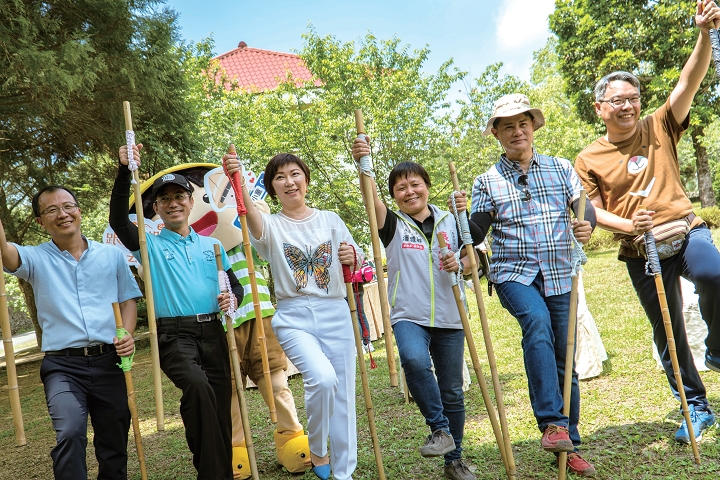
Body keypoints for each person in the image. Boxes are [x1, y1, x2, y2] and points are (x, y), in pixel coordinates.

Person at [574, 0, 720, 445]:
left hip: (685, 228)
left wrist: (704, 35)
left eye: (633, 98)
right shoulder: (588, 158)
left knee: (715, 273)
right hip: (641, 250)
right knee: (669, 328)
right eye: (617, 100)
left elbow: (688, 81)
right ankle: (694, 405)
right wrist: (630, 225)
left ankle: (717, 348)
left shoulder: (659, 126)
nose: (627, 106)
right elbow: (585, 210)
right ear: (600, 108)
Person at [466, 94, 597, 477]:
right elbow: (478, 227)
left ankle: (568, 442)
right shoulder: (486, 181)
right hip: (512, 273)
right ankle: (552, 423)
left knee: (565, 359)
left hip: (559, 271)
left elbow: (582, 206)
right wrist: (462, 224)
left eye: (523, 123)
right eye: (508, 126)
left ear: (533, 127)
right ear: (496, 134)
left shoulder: (560, 168)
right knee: (536, 322)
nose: (517, 131)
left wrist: (586, 222)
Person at [224, 152, 361, 480]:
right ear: (272, 187)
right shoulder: (270, 225)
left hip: (336, 311)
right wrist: (238, 179)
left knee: (343, 396)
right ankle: (316, 448)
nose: (289, 181)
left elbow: (354, 263)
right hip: (293, 315)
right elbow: (252, 217)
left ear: (306, 180)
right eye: (280, 177)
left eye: (295, 173)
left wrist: (350, 255)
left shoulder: (331, 219)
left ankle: (343, 473)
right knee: (322, 379)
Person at [111, 145, 244, 480]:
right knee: (197, 388)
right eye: (164, 199)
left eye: (179, 196)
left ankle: (211, 469)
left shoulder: (211, 245)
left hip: (214, 332)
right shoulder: (148, 244)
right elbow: (116, 219)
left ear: (190, 201)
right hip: (173, 335)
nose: (173, 203)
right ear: (155, 208)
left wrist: (231, 299)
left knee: (217, 406)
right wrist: (124, 170)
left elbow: (233, 286)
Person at [352, 137, 479, 480]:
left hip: (452, 316)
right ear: (394, 195)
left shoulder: (452, 221)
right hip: (409, 315)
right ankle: (439, 429)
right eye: (400, 188)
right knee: (413, 360)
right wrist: (364, 164)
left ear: (427, 187)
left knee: (452, 390)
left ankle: (454, 462)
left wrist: (462, 262)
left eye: (415, 184)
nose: (409, 192)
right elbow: (370, 198)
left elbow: (474, 261)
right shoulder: (391, 225)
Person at [1, 185, 141, 480]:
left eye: (68, 206)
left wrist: (126, 334)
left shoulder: (111, 256)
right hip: (63, 366)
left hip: (110, 361)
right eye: (51, 210)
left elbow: (128, 299)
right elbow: (7, 255)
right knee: (70, 432)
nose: (62, 214)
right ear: (40, 221)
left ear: (79, 210)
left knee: (114, 440)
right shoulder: (35, 258)